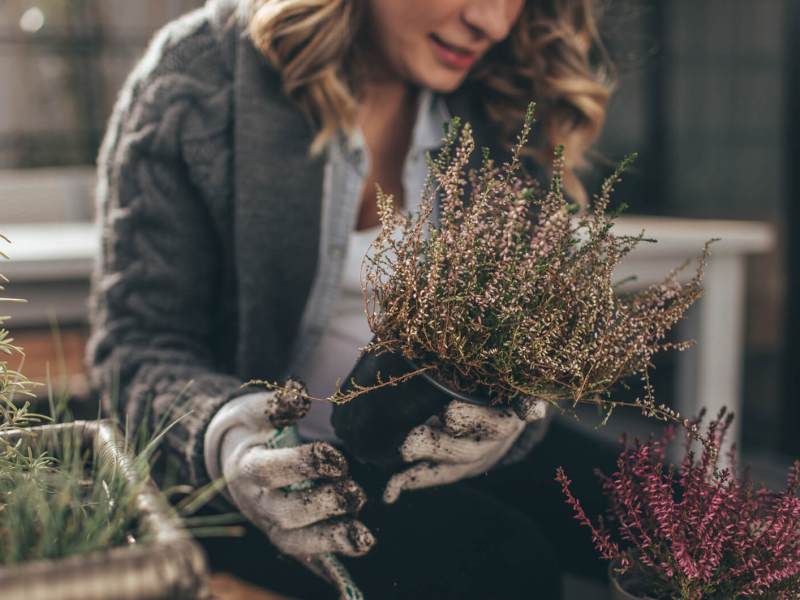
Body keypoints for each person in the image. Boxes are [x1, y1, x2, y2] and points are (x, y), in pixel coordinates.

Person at [86, 0, 619, 597]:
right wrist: (229, 439)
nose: (492, 23)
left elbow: (522, 331)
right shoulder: (202, 75)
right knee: (500, 563)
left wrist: (516, 419)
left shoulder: (502, 96)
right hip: (241, 471)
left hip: (427, 446)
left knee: (688, 523)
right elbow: (134, 348)